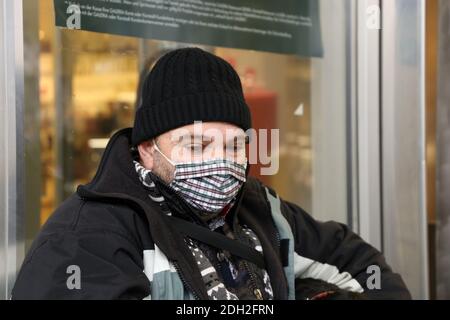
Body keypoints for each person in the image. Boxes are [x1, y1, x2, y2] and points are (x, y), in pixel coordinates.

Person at [12, 47, 411, 300]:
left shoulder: (261, 210)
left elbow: (360, 264)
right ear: (148, 150)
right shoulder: (86, 241)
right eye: (196, 145)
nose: (221, 163)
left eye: (235, 145)